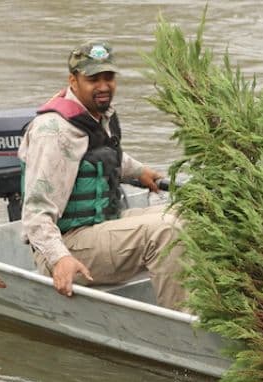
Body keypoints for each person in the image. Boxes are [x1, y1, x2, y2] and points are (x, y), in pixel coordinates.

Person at [18, 40, 187, 310]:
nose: (104, 86)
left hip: (99, 224)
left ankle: (207, 306)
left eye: (108, 77)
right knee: (167, 232)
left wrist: (140, 172)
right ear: (73, 81)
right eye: (93, 78)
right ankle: (185, 327)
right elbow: (35, 214)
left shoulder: (95, 115)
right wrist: (59, 258)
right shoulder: (52, 131)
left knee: (186, 215)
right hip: (66, 245)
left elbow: (101, 155)